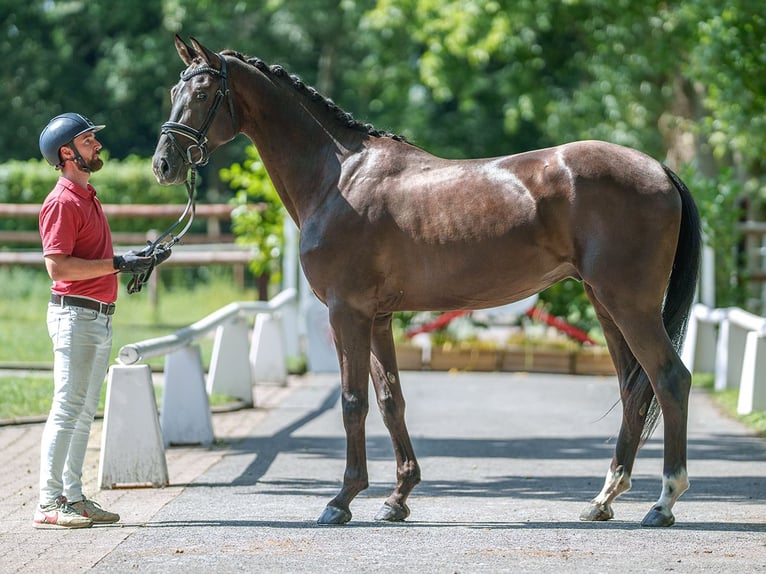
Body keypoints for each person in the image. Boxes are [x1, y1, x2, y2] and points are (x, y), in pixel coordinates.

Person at [34, 113, 170, 528]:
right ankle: (47, 502)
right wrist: (117, 263)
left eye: (93, 139)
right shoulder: (61, 201)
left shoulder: (87, 195)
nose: (97, 146)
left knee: (83, 409)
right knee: (67, 408)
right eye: (89, 140)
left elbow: (94, 260)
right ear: (67, 153)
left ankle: (73, 496)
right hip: (74, 316)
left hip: (96, 317)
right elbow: (57, 268)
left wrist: (134, 261)